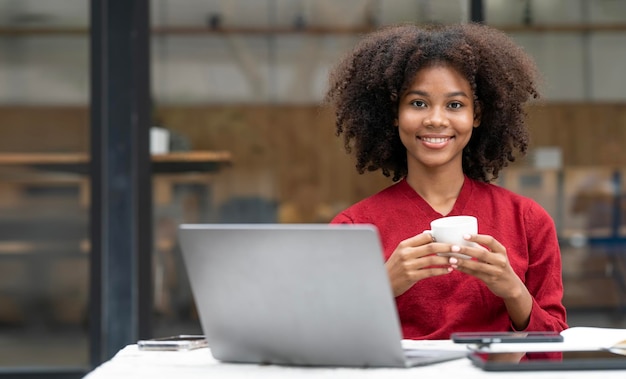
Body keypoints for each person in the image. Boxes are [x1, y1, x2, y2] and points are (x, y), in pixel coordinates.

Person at [324, 22, 568, 347]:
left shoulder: (527, 221)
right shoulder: (353, 228)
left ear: (477, 115)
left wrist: (513, 291)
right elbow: (328, 343)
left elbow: (553, 351)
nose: (436, 119)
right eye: (418, 103)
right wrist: (381, 285)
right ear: (394, 114)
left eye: (455, 105)